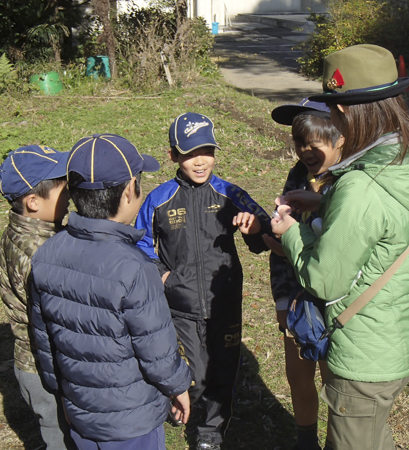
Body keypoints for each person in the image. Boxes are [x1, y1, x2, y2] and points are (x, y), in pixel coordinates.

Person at [270, 44, 409, 450]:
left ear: (349, 112)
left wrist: (289, 232)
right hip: (398, 335)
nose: (332, 119)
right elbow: (390, 222)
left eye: (333, 110)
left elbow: (323, 280)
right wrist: (325, 202)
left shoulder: (361, 185)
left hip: (363, 356)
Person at [30, 133, 192, 450]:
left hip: (80, 412)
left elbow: (45, 340)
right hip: (133, 422)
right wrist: (178, 386)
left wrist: (60, 391)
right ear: (131, 190)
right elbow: (156, 349)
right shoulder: (137, 268)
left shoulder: (45, 255)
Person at [135, 112, 271, 450]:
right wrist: (162, 275)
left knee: (223, 369)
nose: (200, 162)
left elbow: (265, 229)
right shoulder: (159, 199)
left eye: (207, 152)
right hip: (180, 305)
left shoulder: (229, 193)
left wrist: (254, 228)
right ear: (173, 156)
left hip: (224, 302)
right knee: (193, 370)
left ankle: (209, 432)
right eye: (190, 154)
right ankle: (182, 403)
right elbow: (136, 242)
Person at [264, 98, 343, 450]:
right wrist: (282, 297)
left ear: (339, 137)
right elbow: (282, 249)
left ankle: (339, 441)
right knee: (297, 376)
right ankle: (305, 441)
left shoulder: (349, 184)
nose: (305, 151)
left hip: (337, 303)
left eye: (314, 143)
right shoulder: (299, 175)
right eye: (299, 143)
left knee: (336, 382)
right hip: (298, 300)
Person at [0, 145, 74, 450]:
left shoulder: (31, 233)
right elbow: (55, 319)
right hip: (44, 369)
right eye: (62, 190)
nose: (70, 196)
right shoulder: (38, 255)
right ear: (32, 202)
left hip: (39, 364)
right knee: (61, 438)